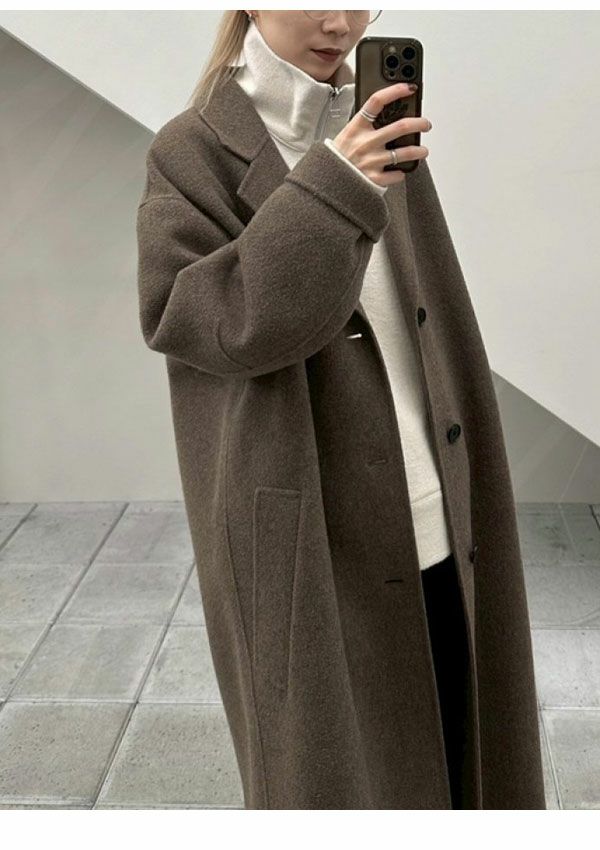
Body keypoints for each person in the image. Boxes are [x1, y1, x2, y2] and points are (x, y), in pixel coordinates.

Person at [136, 10, 547, 810]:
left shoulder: (378, 120)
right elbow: (206, 323)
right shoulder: (189, 151)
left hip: (440, 508)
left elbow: (428, 314)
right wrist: (334, 186)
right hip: (312, 534)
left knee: (471, 774)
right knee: (337, 788)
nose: (339, 21)